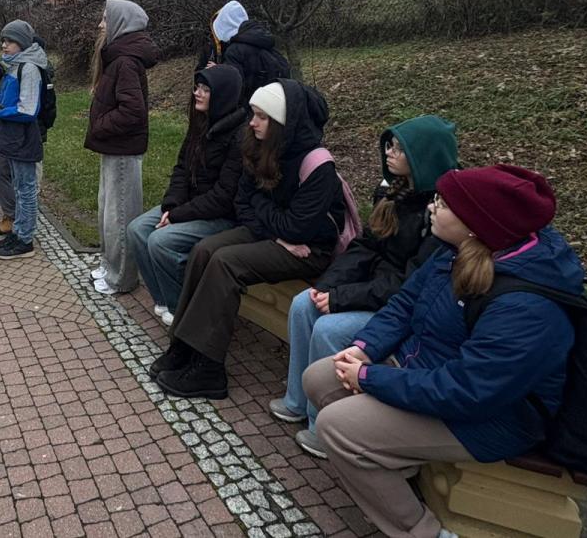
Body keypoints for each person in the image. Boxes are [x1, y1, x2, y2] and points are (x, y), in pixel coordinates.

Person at [303, 165, 581, 538]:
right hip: (428, 371)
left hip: (491, 417)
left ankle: (421, 530)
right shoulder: (455, 251)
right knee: (320, 379)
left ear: (475, 224)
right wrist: (364, 349)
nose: (432, 207)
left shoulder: (527, 306)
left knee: (337, 428)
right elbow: (405, 304)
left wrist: (370, 377)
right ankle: (392, 463)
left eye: (444, 203)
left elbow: (469, 389)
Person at [272, 115, 459, 459]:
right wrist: (329, 285)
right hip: (370, 290)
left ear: (423, 157)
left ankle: (320, 425)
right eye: (389, 145)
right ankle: (296, 399)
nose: (389, 152)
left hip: (396, 307)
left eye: (399, 148)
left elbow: (409, 286)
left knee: (329, 329)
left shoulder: (439, 217)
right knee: (303, 303)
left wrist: (342, 298)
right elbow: (364, 247)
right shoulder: (391, 192)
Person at [150, 79, 345, 399]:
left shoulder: (317, 164)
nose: (252, 122)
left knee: (226, 262)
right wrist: (273, 226)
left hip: (308, 249)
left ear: (282, 122)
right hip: (274, 235)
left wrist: (266, 212)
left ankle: (209, 368)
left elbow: (296, 228)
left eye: (262, 116)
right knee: (203, 251)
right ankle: (183, 346)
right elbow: (242, 203)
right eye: (253, 113)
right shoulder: (258, 144)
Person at [128, 64, 246, 326]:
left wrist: (177, 216)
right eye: (197, 87)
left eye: (205, 89)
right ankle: (165, 300)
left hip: (223, 217)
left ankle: (184, 310)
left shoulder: (239, 137)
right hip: (191, 205)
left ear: (223, 95)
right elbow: (182, 167)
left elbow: (224, 197)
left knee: (161, 241)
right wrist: (171, 205)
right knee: (137, 229)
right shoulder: (201, 122)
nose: (197, 93)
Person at [85, 0, 158, 296]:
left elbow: (133, 111)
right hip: (114, 148)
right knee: (108, 210)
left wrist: (99, 125)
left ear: (120, 23)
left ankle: (122, 278)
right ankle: (110, 265)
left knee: (121, 215)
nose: (100, 24)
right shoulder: (118, 57)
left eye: (105, 18)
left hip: (123, 150)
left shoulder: (125, 61)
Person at [0, 20, 48, 260]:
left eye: (9, 41)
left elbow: (28, 109)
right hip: (11, 136)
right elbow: (3, 95)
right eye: (3, 40)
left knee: (25, 189)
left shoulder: (28, 67)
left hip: (23, 138)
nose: (4, 45)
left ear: (22, 43)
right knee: (19, 187)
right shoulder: (15, 65)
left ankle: (25, 239)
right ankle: (18, 231)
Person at [196, 0, 290, 102]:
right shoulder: (261, 41)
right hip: (273, 102)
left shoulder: (235, 51)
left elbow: (234, 88)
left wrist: (218, 72)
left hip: (252, 106)